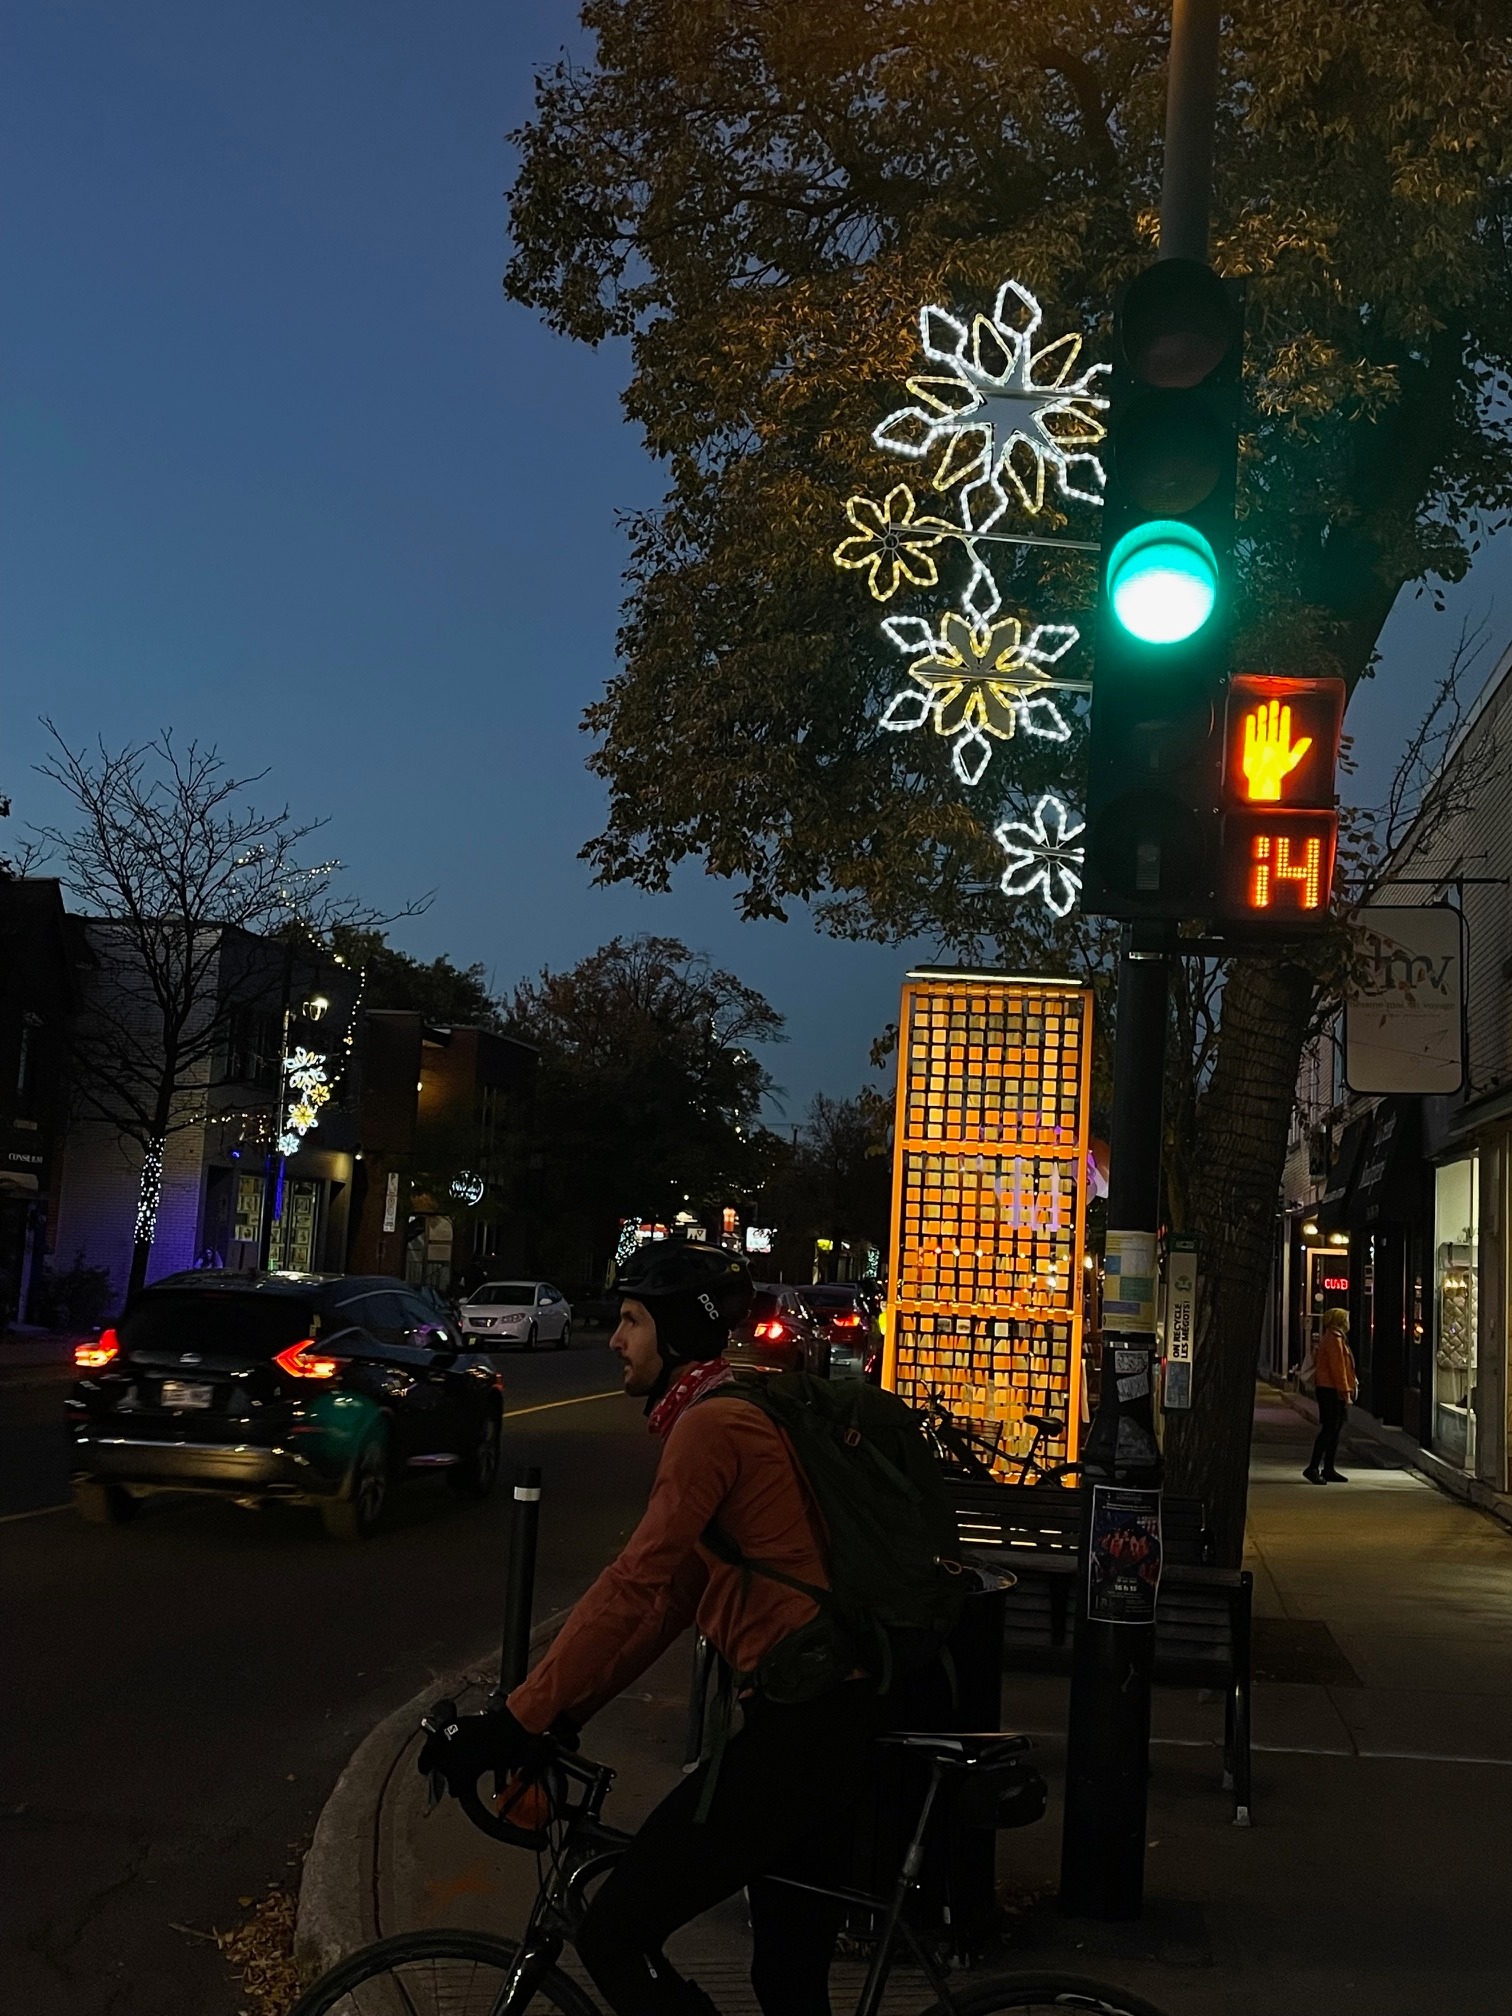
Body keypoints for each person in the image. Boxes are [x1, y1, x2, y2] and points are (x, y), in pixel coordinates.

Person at [422, 1241, 884, 2016]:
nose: (615, 1339)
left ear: (675, 1333)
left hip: (803, 1731)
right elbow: (672, 1602)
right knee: (787, 1983)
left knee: (613, 1933)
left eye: (631, 1321)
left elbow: (634, 1582)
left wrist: (515, 1721)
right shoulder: (730, 1410)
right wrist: (564, 1713)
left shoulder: (712, 1428)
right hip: (827, 1721)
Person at [1304, 1307, 1357, 1484]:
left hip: (1329, 1389)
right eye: (1346, 1318)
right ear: (1340, 1321)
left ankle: (1328, 1468)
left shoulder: (1334, 1337)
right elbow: (1338, 1369)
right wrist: (1346, 1393)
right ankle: (1313, 1468)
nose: (1349, 1321)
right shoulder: (1335, 1339)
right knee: (1329, 1429)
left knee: (1334, 1430)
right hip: (1330, 1390)